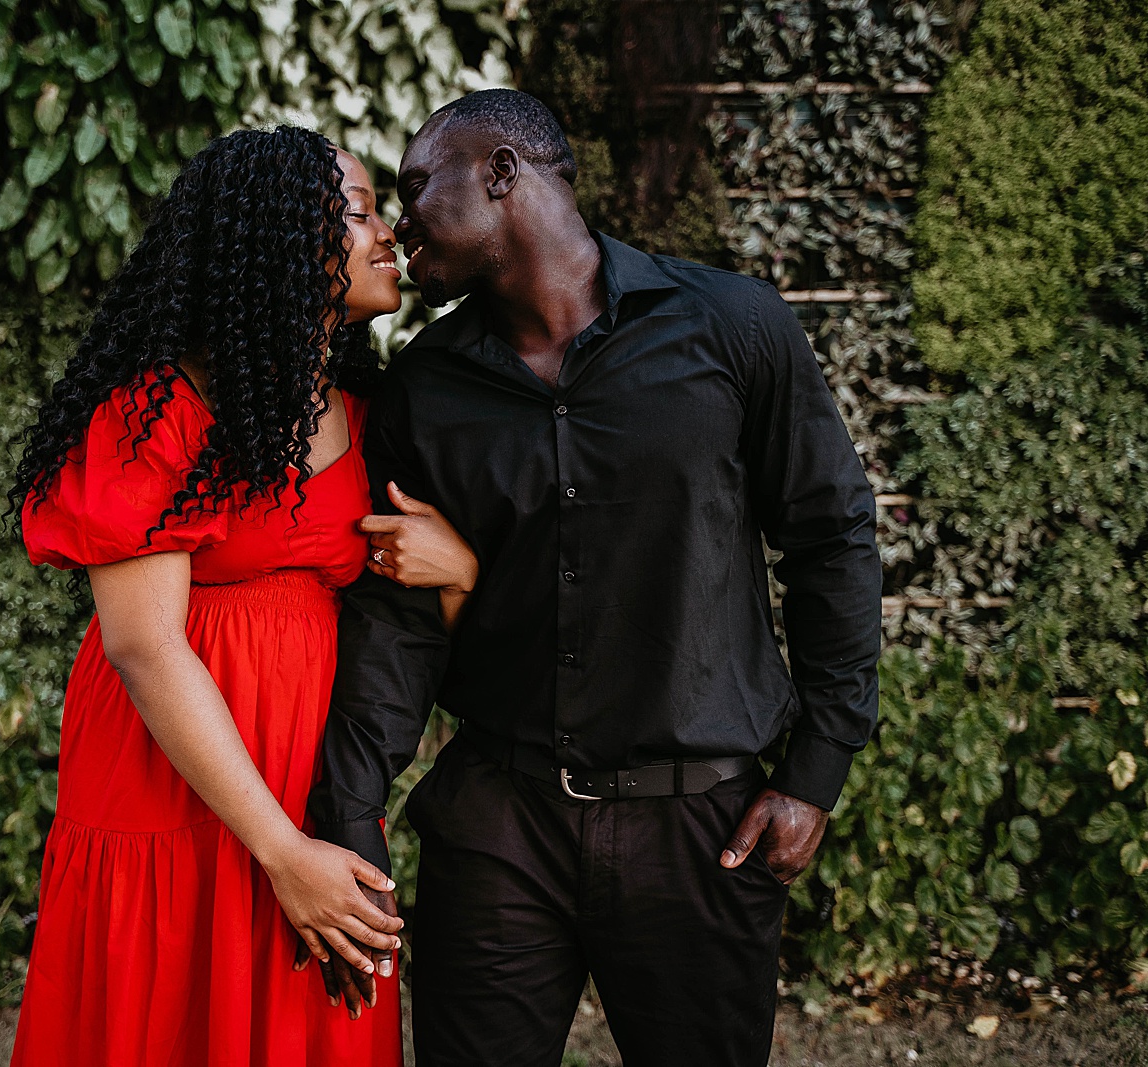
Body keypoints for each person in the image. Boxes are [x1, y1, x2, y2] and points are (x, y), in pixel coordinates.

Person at [306, 89, 883, 1067]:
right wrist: (350, 818)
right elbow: (398, 623)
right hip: (497, 826)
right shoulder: (424, 389)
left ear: (500, 172)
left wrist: (816, 767)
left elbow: (830, 535)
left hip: (700, 827)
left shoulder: (732, 328)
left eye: (415, 187)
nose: (401, 225)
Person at [4, 127, 478, 1066]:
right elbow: (144, 644)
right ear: (272, 241)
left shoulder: (373, 415)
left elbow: (422, 642)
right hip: (172, 782)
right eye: (359, 211)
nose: (390, 234)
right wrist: (279, 850)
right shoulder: (160, 413)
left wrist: (459, 570)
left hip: (315, 782)